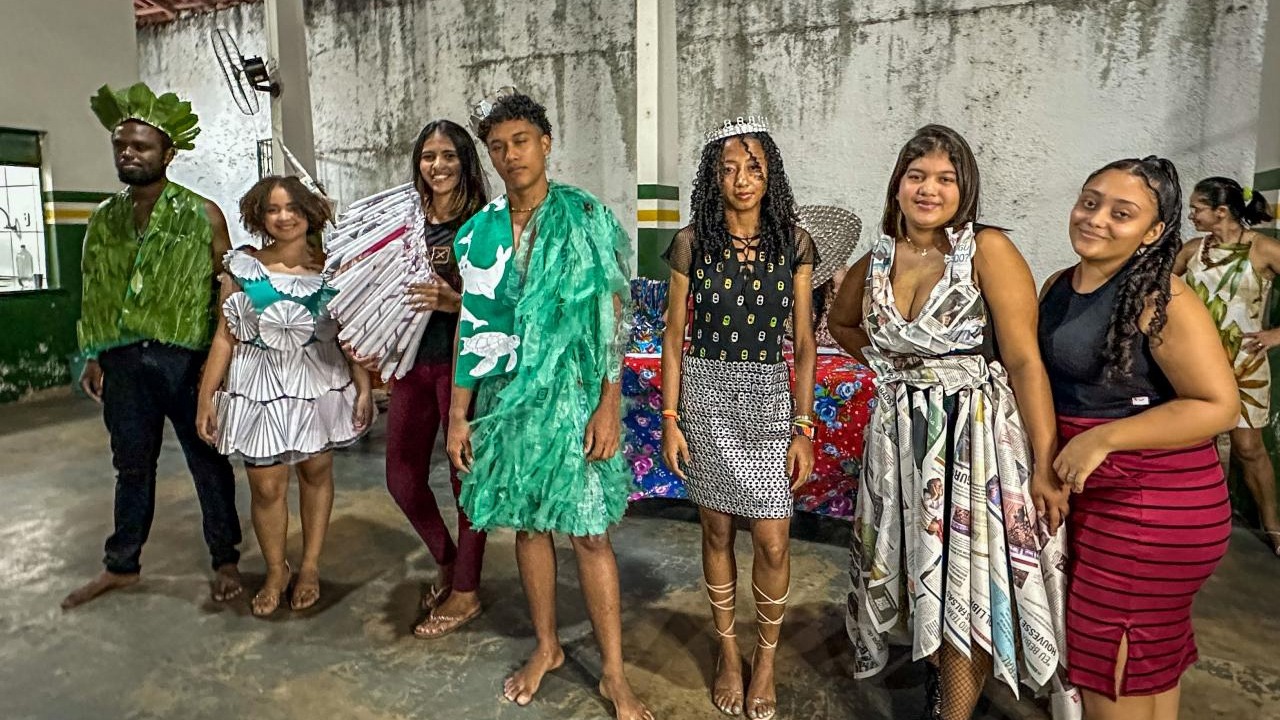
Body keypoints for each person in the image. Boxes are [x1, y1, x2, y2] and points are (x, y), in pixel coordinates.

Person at [827, 125, 1067, 720]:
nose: (928, 189)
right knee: (917, 570)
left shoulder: (986, 250)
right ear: (897, 184)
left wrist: (1044, 463)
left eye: (945, 178)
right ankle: (941, 684)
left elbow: (1024, 361)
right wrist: (899, 369)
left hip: (974, 438)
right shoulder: (879, 256)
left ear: (966, 188)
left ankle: (951, 713)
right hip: (900, 440)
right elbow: (841, 323)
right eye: (916, 176)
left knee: (969, 578)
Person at [446, 90, 652, 720]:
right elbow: (472, 327)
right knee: (529, 525)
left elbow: (615, 313)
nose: (511, 155)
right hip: (507, 402)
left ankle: (614, 674)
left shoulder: (587, 216)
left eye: (522, 141)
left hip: (577, 397)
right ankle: (547, 647)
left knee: (590, 533)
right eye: (498, 146)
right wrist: (458, 413)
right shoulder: (478, 233)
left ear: (546, 143)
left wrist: (609, 402)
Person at [1040, 157, 1238, 720]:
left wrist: (1101, 440)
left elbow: (1219, 406)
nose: (1096, 218)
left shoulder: (1163, 299)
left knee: (1109, 660)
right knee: (1145, 658)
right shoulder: (1059, 284)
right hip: (1104, 499)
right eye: (1090, 201)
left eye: (1121, 213)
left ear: (1154, 231)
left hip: (1155, 505)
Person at [63, 82, 244, 610]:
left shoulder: (202, 214)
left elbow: (225, 292)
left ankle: (225, 558)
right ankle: (122, 563)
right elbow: (95, 289)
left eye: (141, 146)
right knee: (132, 464)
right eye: (121, 145)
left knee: (207, 460)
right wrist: (95, 355)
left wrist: (221, 365)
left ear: (168, 153)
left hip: (186, 360)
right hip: (122, 361)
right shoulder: (102, 219)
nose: (128, 154)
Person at [659, 116, 817, 719]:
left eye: (752, 166)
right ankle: (729, 653)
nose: (741, 178)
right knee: (717, 530)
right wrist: (672, 418)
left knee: (773, 542)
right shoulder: (692, 243)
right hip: (706, 392)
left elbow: (803, 345)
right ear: (712, 176)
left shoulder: (794, 243)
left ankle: (767, 659)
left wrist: (803, 428)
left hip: (770, 398)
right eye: (728, 168)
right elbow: (674, 336)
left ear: (769, 171)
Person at [196, 175, 374, 616]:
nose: (283, 217)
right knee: (266, 485)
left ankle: (310, 566)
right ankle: (277, 569)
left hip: (319, 382)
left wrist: (364, 386)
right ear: (259, 216)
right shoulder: (242, 266)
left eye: (292, 208)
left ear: (309, 212)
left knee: (316, 473)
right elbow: (225, 335)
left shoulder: (332, 270)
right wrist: (206, 396)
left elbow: (351, 334)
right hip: (258, 385)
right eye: (273, 209)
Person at [382, 119, 490, 636]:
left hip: (460, 367)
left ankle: (466, 591)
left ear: (465, 161)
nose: (438, 165)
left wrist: (455, 301)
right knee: (401, 477)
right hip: (409, 365)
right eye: (429, 156)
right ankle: (450, 563)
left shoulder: (483, 222)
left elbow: (502, 305)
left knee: (464, 480)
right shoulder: (404, 218)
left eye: (449, 155)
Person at [1174, 176, 1280, 555]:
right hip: (1196, 365)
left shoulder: (1264, 249)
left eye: (1197, 208)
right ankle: (1200, 524)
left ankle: (1274, 527)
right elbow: (1154, 292)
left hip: (1245, 366)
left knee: (1249, 449)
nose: (1192, 215)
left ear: (1221, 211)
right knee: (1195, 446)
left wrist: (1273, 335)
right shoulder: (1191, 251)